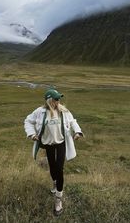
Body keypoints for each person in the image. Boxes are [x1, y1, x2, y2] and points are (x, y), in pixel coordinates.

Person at [24, 88, 83, 216]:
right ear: (50, 100)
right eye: (56, 99)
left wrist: (77, 132)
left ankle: (58, 200)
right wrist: (32, 134)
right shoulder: (40, 112)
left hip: (61, 144)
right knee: (52, 168)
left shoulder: (63, 111)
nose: (58, 101)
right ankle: (55, 183)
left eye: (59, 98)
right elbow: (28, 121)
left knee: (59, 169)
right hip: (48, 145)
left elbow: (73, 121)